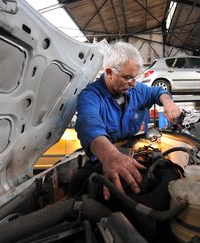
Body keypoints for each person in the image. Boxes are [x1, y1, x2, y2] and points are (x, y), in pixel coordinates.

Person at [73, 42, 181, 200]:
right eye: (128, 77)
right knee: (80, 185)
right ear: (109, 72)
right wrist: (110, 156)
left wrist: (168, 102)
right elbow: (89, 125)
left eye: (136, 77)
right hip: (104, 157)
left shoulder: (136, 90)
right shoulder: (90, 96)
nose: (134, 83)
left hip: (132, 149)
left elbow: (157, 92)